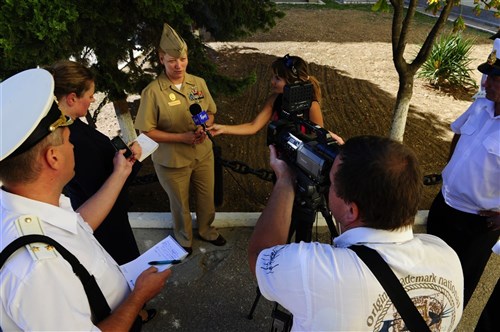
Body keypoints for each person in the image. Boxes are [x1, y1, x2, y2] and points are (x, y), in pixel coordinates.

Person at [0, 68, 171, 331]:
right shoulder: (37, 272)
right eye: (68, 141)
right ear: (53, 157)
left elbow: (78, 226)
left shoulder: (33, 201)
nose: (72, 146)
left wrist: (120, 172)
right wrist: (138, 298)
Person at [248, 135, 464, 331]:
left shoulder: (316, 270)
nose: (328, 185)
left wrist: (286, 182)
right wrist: (351, 160)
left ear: (351, 210)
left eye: (331, 183)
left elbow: (260, 256)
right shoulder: (447, 257)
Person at [45, 60, 156, 323]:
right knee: (123, 267)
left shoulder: (63, 124)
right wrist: (131, 163)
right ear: (72, 97)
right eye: (89, 94)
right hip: (104, 218)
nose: (93, 98)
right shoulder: (72, 138)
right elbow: (106, 188)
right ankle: (132, 314)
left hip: (92, 209)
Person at [208, 54, 335, 242]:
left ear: (293, 80)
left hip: (303, 171)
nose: (272, 81)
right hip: (281, 168)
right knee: (283, 209)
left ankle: (297, 248)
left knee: (301, 215)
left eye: (277, 77)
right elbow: (253, 125)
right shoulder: (275, 100)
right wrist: (223, 128)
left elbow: (318, 139)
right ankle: (282, 242)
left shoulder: (311, 105)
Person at [426, 40, 500, 331]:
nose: (487, 81)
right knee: (426, 273)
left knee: (456, 286)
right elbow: (458, 134)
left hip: (476, 224)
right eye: (489, 75)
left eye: (496, 78)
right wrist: (450, 171)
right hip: (444, 206)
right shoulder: (482, 105)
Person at [134, 23, 225, 254]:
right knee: (180, 204)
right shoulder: (153, 92)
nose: (178, 65)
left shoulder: (198, 83)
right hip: (172, 160)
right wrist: (180, 137)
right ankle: (185, 239)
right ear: (161, 58)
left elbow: (211, 112)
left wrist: (206, 127)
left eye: (182, 59)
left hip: (202, 154)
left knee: (207, 197)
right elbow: (146, 131)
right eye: (172, 60)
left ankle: (207, 230)